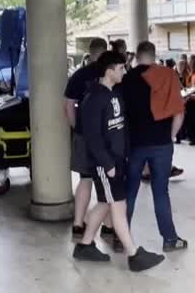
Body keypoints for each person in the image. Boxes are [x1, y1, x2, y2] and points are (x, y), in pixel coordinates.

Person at [72, 51, 166, 272]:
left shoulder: (114, 93)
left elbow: (120, 128)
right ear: (109, 71)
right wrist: (108, 164)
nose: (125, 71)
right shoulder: (93, 98)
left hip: (117, 160)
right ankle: (134, 254)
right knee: (119, 206)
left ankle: (85, 245)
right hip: (105, 164)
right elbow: (93, 138)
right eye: (121, 68)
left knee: (105, 203)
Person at [122, 41, 188, 253]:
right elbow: (179, 113)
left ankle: (120, 237)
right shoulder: (168, 75)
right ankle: (170, 239)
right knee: (161, 192)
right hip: (161, 143)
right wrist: (170, 136)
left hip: (135, 143)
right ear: (154, 54)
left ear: (136, 56)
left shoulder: (127, 78)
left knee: (129, 191)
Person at [65, 38, 115, 241]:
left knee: (85, 179)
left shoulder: (79, 75)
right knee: (108, 183)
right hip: (107, 137)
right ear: (105, 52)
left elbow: (69, 105)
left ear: (90, 51)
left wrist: (77, 128)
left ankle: (78, 224)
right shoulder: (111, 74)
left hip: (83, 135)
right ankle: (109, 226)